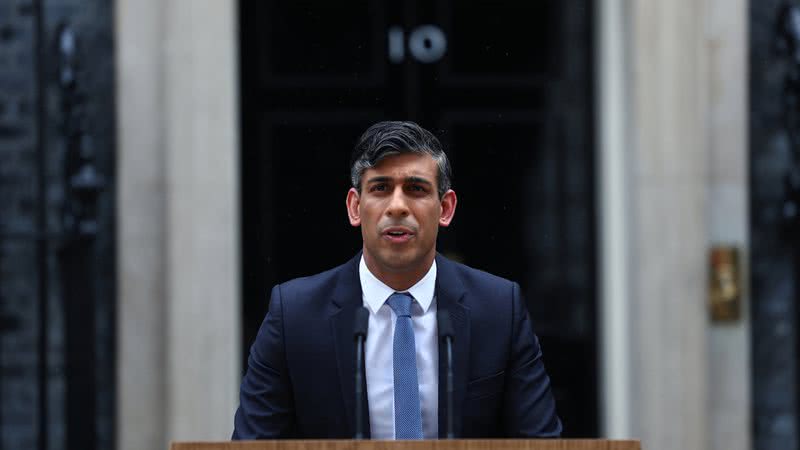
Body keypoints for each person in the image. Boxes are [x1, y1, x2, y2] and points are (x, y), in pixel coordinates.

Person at [232, 121, 562, 439]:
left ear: (445, 208)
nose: (398, 206)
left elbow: (539, 441)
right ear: (355, 207)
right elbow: (251, 443)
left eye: (416, 189)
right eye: (381, 188)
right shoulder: (294, 315)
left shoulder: (499, 309)